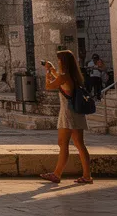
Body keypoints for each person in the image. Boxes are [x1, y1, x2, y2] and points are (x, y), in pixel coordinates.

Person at [39, 50, 93, 185]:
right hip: (77, 113)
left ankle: (57, 174)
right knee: (80, 144)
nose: (58, 62)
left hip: (68, 113)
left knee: (62, 144)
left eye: (59, 60)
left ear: (62, 62)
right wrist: (52, 70)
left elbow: (48, 85)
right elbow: (60, 78)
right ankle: (87, 176)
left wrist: (47, 72)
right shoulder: (73, 75)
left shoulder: (64, 76)